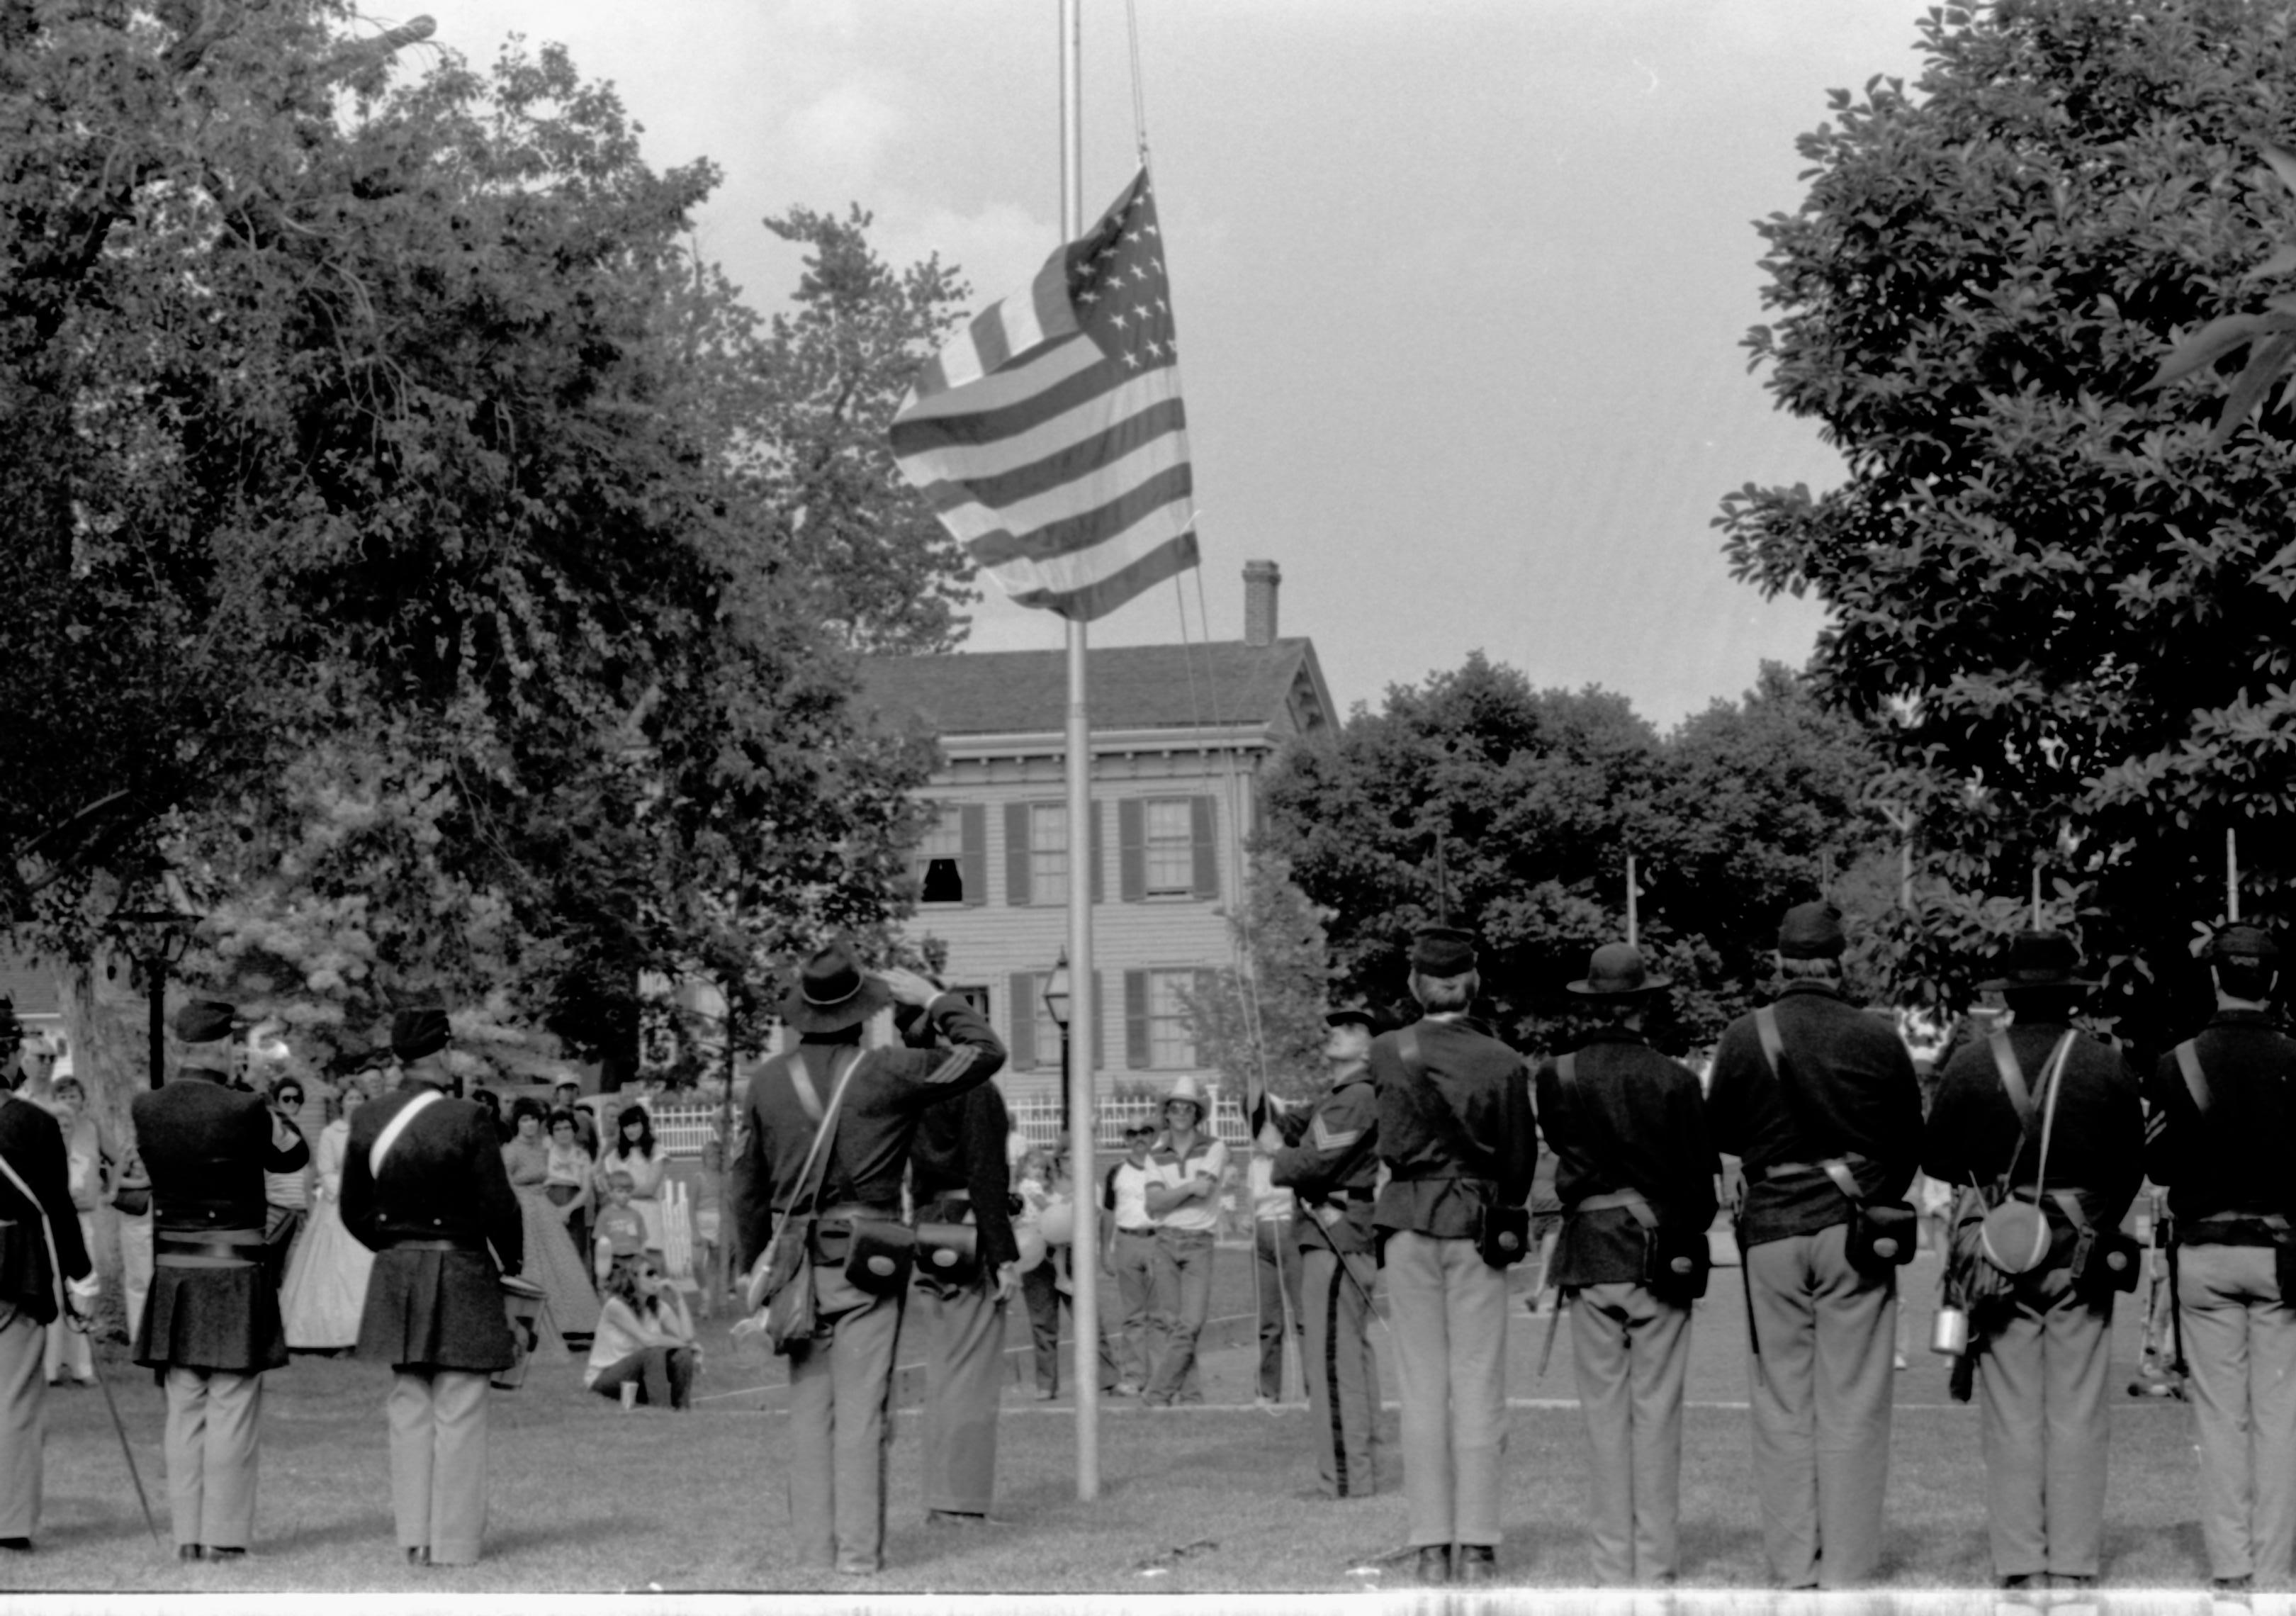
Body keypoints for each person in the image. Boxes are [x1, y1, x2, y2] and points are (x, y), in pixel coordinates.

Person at [728, 946, 1002, 1577]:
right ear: (863, 1013)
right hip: (868, 1257)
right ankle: (856, 1559)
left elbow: (744, 1182)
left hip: (797, 1263)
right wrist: (933, 998)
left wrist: (751, 1268)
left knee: (808, 1413)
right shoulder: (888, 1071)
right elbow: (986, 1053)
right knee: (861, 1414)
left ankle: (812, 1555)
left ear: (803, 1016)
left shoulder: (768, 1081)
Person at [1705, 900, 1923, 1590]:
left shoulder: (1744, 1036)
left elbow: (1725, 1134)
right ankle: (1851, 1567)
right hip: (1855, 1229)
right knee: (1854, 1401)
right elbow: (1907, 1142)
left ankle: (1793, 1565)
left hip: (1771, 1229)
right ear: (1841, 962)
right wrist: (1870, 1184)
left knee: (1782, 1405)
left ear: (1779, 962)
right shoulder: (1877, 1037)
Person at [1923, 929, 2142, 1592]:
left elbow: (1935, 1159)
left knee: (2012, 1413)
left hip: (1996, 1254)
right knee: (2076, 1411)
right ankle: (2073, 1563)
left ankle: (2019, 1561)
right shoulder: (2106, 1064)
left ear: (2012, 995)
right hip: (2080, 1250)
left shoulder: (1968, 1063)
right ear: (2071, 995)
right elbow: (2131, 1165)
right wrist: (2094, 1220)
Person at [1535, 943, 1719, 1587]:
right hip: (1656, 1254)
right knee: (1657, 1415)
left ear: (1591, 1003)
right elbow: (1702, 1189)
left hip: (1589, 1255)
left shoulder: (1554, 1076)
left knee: (1604, 1422)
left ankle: (1613, 1566)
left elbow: (1565, 1155)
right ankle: (1658, 1562)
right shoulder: (1674, 1079)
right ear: (1644, 1004)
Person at [1370, 924, 1538, 1586]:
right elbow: (1521, 1163)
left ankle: (1431, 1544)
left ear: (1415, 985)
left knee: (1421, 1388)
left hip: (1410, 1221)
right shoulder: (1503, 1060)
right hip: (1476, 1222)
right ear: (1475, 984)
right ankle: (1478, 1544)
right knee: (1478, 1384)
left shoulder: (1387, 1051)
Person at [340, 1005, 523, 1568]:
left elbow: (353, 1209)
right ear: (442, 1053)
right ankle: (456, 1542)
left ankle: (416, 1539)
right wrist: (511, 1262)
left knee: (410, 1404)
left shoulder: (368, 1117)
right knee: (460, 1406)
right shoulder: (468, 1117)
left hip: (398, 1269)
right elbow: (498, 1206)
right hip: (462, 1267)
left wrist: (398, 1249)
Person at [2144, 922, 2296, 1593]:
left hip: (2206, 1252)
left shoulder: (2176, 1063)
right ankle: (2273, 1564)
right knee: (2281, 1415)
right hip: (2283, 1255)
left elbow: (2157, 1161)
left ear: (2214, 979)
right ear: (2274, 983)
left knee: (2220, 1416)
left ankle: (2232, 1566)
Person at [132, 997, 311, 1561]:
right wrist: (260, 1099)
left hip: (177, 1270)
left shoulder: (147, 1107)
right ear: (224, 1046)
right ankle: (225, 1535)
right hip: (235, 1270)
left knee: (184, 1406)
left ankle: (187, 1535)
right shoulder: (246, 1109)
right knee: (232, 1403)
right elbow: (292, 1159)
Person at [899, 987, 1020, 1525]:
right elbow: (984, 1171)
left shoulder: (909, 1085)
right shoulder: (972, 1086)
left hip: (926, 1225)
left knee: (945, 1371)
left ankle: (942, 1499)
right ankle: (959, 1502)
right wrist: (1006, 1254)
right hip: (968, 1228)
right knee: (970, 1377)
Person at [1261, 1004, 1384, 1500]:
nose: (1336, 1032)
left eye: (1353, 1028)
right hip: (1334, 1233)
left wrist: (1277, 1155)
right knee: (1346, 1355)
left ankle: (1346, 1478)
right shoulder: (1335, 1098)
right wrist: (1256, 1089)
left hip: (1336, 1234)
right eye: (1335, 1025)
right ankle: (1357, 1468)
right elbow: (1291, 1123)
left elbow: (1311, 1161)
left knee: (1332, 1361)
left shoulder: (1356, 1097)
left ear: (1371, 1046)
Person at [0, 1016, 98, 1553]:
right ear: (9, 1055)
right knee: (14, 1398)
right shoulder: (34, 1124)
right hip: (15, 1262)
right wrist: (81, 1278)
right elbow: (59, 1210)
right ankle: (10, 1521)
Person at [1141, 1074, 1227, 1408]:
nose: (1179, 1113)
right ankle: (1191, 1398)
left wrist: (1171, 1195)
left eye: (1186, 1108)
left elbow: (1204, 1190)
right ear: (1166, 1113)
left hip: (1198, 1242)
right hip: (1165, 1241)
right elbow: (1153, 1205)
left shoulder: (1214, 1147)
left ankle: (1157, 1393)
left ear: (1197, 1114)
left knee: (1191, 1323)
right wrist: (1188, 1189)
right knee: (1175, 1324)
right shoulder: (1155, 1154)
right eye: (1174, 1108)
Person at [1016, 1150, 1118, 1401]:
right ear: (1058, 1161)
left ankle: (1108, 1378)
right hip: (1037, 1254)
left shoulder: (1088, 1185)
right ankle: (1046, 1384)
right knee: (1042, 1322)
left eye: (1077, 1157)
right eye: (1066, 1158)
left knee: (1088, 1317)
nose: (1072, 1163)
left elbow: (1091, 1213)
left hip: (1072, 1255)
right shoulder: (1037, 1185)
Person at [281, 1087, 377, 1351]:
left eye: (360, 1098)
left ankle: (364, 1333)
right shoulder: (330, 1133)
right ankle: (326, 1334)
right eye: (351, 1098)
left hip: (365, 1203)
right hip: (337, 1204)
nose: (355, 1103)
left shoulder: (371, 1131)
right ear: (342, 1103)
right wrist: (347, 1192)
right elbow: (325, 1169)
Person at [500, 1098, 597, 1350]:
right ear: (516, 1123)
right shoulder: (510, 1151)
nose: (530, 1125)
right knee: (534, 1265)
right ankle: (534, 1327)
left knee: (563, 1265)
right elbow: (505, 1183)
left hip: (544, 1208)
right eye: (524, 1120)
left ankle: (572, 1325)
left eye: (533, 1119)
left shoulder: (542, 1149)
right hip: (523, 1210)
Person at [43, 1075, 108, 1388]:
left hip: (81, 1226)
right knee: (54, 1293)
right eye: (57, 1125)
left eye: (68, 1125)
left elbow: (87, 1195)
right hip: (51, 1230)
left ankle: (82, 1365)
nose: (63, 1130)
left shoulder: (84, 1151)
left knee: (82, 1293)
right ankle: (51, 1367)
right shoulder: (41, 1160)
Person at [585, 1255, 697, 1410]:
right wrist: (684, 1344)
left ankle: (682, 1408)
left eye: (657, 1274)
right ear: (634, 1278)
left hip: (638, 1378)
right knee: (652, 1352)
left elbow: (688, 1337)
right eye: (650, 1274)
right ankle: (662, 1410)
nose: (656, 1279)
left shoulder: (658, 1307)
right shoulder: (615, 1306)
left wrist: (678, 1297)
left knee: (683, 1355)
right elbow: (648, 1340)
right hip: (606, 1376)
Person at [1099, 1121, 1163, 1396]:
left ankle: (1161, 1377)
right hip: (1127, 1241)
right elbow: (1109, 1213)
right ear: (1126, 1138)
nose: (1139, 1138)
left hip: (1157, 1239)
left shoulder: (1162, 1166)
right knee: (1134, 1315)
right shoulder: (1117, 1171)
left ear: (1154, 1136)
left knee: (1160, 1313)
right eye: (1133, 1134)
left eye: (1145, 1132)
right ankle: (1136, 1376)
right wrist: (1105, 1249)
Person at [1249, 1142, 1304, 1409]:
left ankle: (1314, 1388)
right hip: (1263, 1237)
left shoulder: (1292, 1159)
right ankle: (1268, 1389)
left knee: (1303, 1315)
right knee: (1269, 1319)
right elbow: (1251, 1203)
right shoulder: (1254, 1165)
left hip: (1289, 1231)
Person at [597, 1104, 669, 1260]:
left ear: (644, 1124)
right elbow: (606, 1181)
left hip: (649, 1212)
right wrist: (604, 1154)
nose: (631, 1130)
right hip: (624, 1215)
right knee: (627, 1259)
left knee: (652, 1258)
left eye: (635, 1125)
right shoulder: (618, 1154)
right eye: (627, 1126)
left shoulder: (656, 1150)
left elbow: (650, 1188)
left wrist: (620, 1193)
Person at [259, 1077, 311, 1291]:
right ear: (277, 1101)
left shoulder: (304, 1137)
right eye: (286, 1098)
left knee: (294, 1276)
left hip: (300, 1214)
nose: (291, 1103)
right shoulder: (271, 1130)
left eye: (296, 1099)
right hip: (276, 1212)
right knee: (270, 1273)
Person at [544, 1109, 596, 1269]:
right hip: (549, 1208)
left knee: (575, 1258)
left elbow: (586, 1189)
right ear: (552, 1133)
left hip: (575, 1209)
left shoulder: (582, 1155)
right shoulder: (545, 1154)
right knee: (552, 1259)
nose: (563, 1133)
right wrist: (554, 1211)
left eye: (567, 1128)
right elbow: (539, 1186)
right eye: (558, 1129)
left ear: (574, 1130)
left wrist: (567, 1210)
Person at [593, 1171, 646, 1282]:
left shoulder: (636, 1215)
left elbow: (642, 1242)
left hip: (633, 1259)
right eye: (620, 1191)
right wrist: (600, 1274)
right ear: (611, 1192)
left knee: (634, 1291)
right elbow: (600, 1245)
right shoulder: (605, 1214)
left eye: (628, 1192)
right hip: (614, 1260)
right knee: (615, 1290)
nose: (624, 1195)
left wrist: (642, 1263)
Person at [553, 1079, 600, 1157]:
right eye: (565, 1090)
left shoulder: (586, 1118)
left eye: (572, 1090)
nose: (569, 1094)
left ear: (578, 1093)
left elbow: (595, 1146)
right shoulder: (549, 1118)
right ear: (557, 1094)